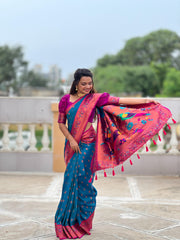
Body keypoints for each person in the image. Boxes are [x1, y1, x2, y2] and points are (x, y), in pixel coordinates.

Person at [55, 68, 172, 239]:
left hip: (88, 144)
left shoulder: (95, 99)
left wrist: (146, 100)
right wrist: (71, 139)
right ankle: (68, 221)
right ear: (76, 84)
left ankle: (83, 221)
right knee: (69, 180)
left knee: (82, 179)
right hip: (72, 145)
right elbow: (61, 123)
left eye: (90, 83)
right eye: (84, 84)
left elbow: (119, 101)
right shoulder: (65, 100)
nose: (87, 87)